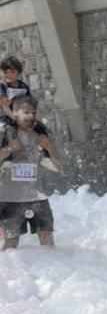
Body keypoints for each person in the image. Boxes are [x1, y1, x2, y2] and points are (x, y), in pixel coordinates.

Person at [0, 96, 61, 249]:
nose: (30, 116)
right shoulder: (4, 132)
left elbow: (56, 167)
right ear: (14, 113)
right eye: (25, 112)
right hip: (9, 198)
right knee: (11, 243)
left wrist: (49, 148)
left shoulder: (40, 132)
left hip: (36, 196)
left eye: (33, 113)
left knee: (47, 239)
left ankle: (53, 272)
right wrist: (9, 149)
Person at [1, 56, 51, 140]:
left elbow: (30, 105)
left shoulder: (23, 86)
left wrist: (32, 119)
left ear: (19, 72)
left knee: (42, 129)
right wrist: (16, 119)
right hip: (6, 117)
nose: (8, 75)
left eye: (12, 72)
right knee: (8, 135)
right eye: (6, 72)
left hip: (22, 116)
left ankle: (48, 150)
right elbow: (4, 106)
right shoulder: (2, 85)